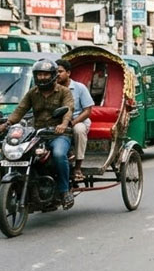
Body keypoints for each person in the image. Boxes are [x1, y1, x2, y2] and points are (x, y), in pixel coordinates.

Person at [3, 60, 74, 207]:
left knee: (59, 155)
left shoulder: (64, 91)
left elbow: (68, 109)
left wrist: (63, 124)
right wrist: (6, 124)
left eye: (45, 74)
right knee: (15, 153)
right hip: (37, 133)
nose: (42, 77)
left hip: (58, 133)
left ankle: (64, 190)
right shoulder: (32, 93)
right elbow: (20, 110)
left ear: (53, 75)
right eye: (39, 74)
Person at [55, 59, 93, 181]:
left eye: (60, 72)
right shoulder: (52, 88)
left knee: (79, 130)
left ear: (68, 73)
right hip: (58, 120)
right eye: (55, 72)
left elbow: (87, 110)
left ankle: (78, 167)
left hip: (78, 119)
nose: (57, 75)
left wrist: (73, 122)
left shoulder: (79, 87)